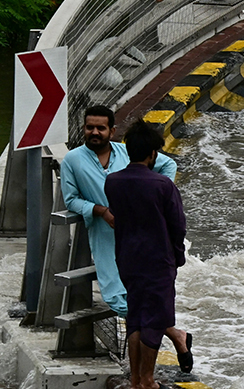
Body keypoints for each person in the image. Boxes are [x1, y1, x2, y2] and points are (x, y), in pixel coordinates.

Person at [60, 105, 192, 372]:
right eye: (89, 127)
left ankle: (143, 374)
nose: (94, 132)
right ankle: (175, 335)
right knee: (117, 298)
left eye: (100, 128)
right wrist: (100, 211)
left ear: (112, 131)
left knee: (144, 296)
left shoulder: (128, 152)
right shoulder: (72, 160)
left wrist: (152, 199)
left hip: (141, 236)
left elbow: (168, 165)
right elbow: (71, 199)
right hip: (106, 236)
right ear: (83, 129)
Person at [105, 122, 190, 389]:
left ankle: (135, 380)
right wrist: (177, 256)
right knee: (155, 319)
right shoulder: (163, 185)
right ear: (153, 153)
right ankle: (148, 382)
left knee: (136, 318)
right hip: (157, 259)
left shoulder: (113, 181)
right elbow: (177, 226)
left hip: (127, 257)